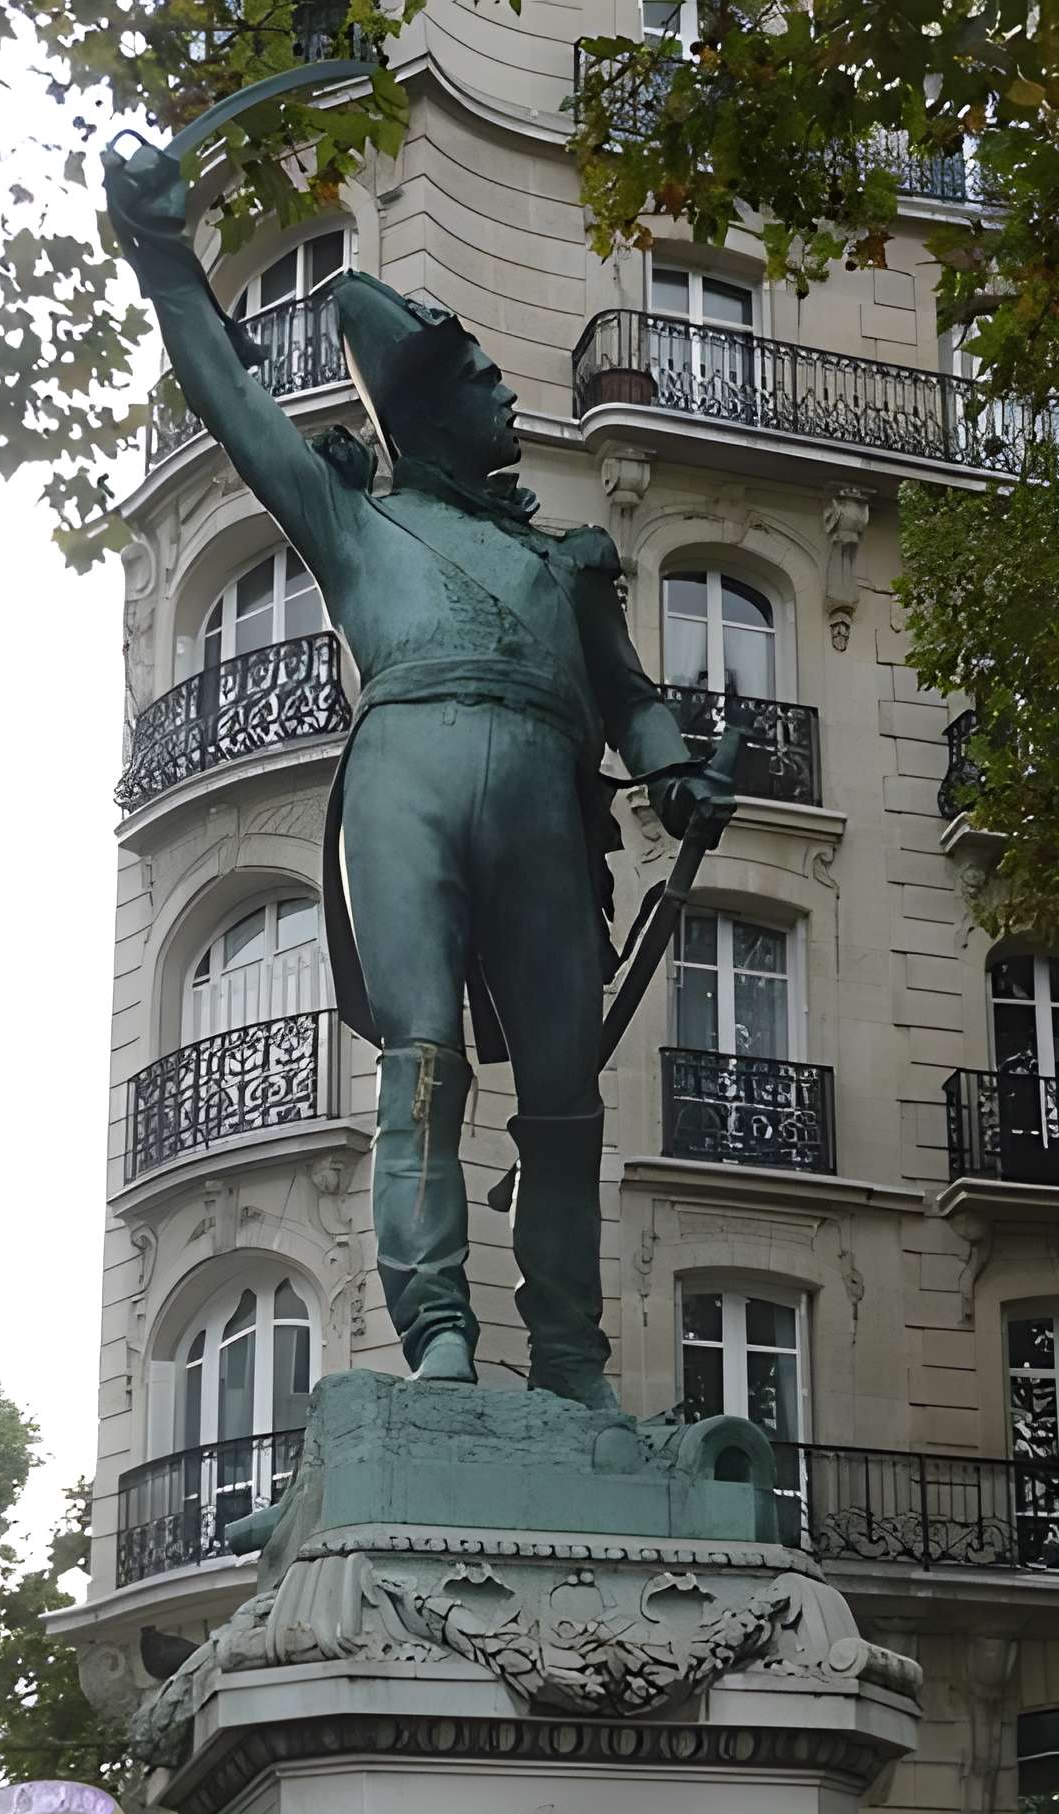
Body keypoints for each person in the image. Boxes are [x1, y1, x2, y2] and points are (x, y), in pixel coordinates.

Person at [103, 142, 732, 1412]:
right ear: (427, 407)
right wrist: (166, 258)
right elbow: (231, 396)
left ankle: (568, 1359)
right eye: (483, 382)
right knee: (422, 1063)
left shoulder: (565, 561)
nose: (508, 397)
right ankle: (437, 1331)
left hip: (550, 806)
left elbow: (626, 692)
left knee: (562, 1096)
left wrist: (671, 774)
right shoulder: (352, 521)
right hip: (406, 777)